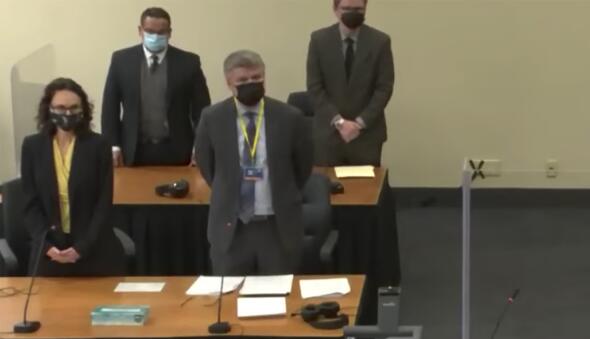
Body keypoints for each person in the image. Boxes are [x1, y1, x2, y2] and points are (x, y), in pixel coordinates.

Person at [194, 50, 313, 276]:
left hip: (276, 226)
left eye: (257, 79)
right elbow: (207, 166)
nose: (251, 84)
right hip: (232, 226)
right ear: (229, 83)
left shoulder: (290, 117)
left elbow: (302, 167)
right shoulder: (212, 118)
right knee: (229, 299)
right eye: (243, 80)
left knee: (279, 297)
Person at [21, 79, 125, 276]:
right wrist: (46, 247)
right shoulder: (32, 146)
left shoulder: (99, 145)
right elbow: (30, 205)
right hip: (50, 253)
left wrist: (82, 248)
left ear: (83, 109)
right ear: (48, 110)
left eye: (73, 107)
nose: (67, 113)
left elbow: (103, 205)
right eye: (60, 108)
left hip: (93, 252)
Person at [101, 6, 210, 167]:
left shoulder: (189, 62)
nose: (155, 36)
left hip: (178, 150)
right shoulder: (121, 60)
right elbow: (110, 108)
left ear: (170, 33)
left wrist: (200, 146)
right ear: (140, 30)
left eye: (161, 32)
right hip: (133, 150)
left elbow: (201, 110)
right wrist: (113, 145)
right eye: (150, 31)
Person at [306, 0, 395, 166]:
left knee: (366, 189)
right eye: (347, 8)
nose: (353, 13)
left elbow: (384, 88)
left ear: (365, 9)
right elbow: (314, 87)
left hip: (366, 136)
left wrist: (359, 124)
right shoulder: (319, 40)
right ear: (335, 9)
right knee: (327, 188)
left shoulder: (380, 42)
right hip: (328, 135)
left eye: (358, 9)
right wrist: (340, 123)